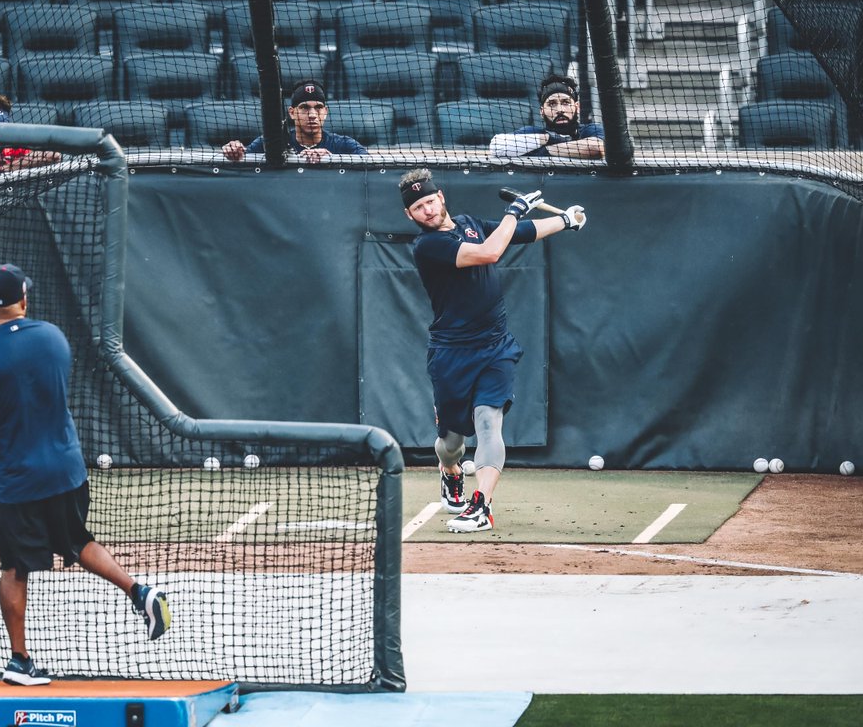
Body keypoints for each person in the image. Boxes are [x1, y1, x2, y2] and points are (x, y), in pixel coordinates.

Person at [0, 263, 171, 686]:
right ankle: (140, 593)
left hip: (16, 479)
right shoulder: (53, 337)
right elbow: (48, 391)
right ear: (24, 300)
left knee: (15, 566)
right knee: (77, 540)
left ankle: (20, 661)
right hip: (66, 469)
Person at [400, 170, 586, 533]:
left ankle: (480, 506)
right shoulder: (427, 246)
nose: (426, 209)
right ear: (410, 215)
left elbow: (520, 234)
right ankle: (450, 471)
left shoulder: (470, 223)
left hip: (495, 346)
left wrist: (564, 220)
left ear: (441, 198)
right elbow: (490, 251)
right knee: (451, 442)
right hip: (451, 353)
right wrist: (515, 209)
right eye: (417, 207)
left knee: (489, 423)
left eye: (429, 201)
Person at [221, 79, 368, 163]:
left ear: (325, 112)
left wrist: (331, 159)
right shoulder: (271, 143)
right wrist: (234, 151)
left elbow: (371, 162)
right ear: (292, 112)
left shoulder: (343, 144)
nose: (312, 115)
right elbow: (243, 159)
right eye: (304, 108)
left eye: (318, 108)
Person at [488, 74, 606, 160]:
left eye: (565, 102)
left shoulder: (590, 130)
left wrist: (545, 150)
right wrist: (549, 138)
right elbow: (497, 146)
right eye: (552, 104)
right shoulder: (533, 133)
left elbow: (597, 148)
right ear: (542, 111)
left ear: (577, 107)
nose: (559, 110)